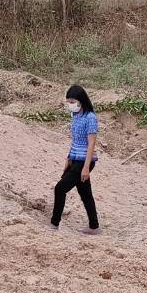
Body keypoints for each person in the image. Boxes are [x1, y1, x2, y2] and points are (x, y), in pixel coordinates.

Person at [51, 84, 100, 234]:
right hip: (75, 158)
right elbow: (75, 140)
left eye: (72, 102)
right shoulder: (75, 115)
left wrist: (86, 167)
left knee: (60, 188)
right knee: (85, 193)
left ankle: (54, 224)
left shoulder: (90, 118)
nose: (70, 105)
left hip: (84, 161)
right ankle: (94, 226)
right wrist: (69, 157)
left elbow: (91, 143)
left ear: (81, 100)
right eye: (68, 102)